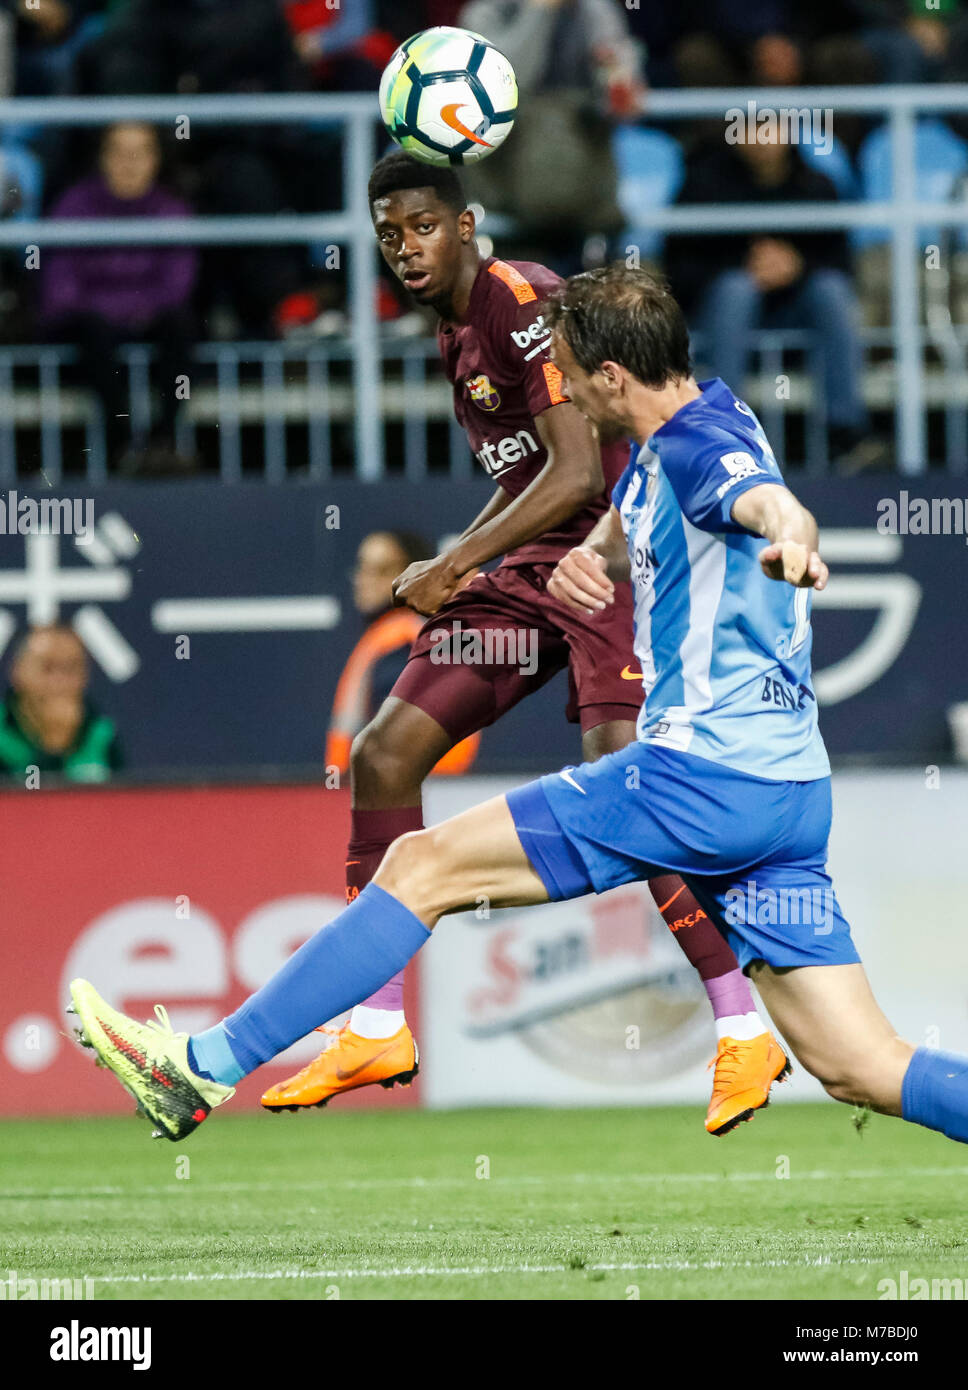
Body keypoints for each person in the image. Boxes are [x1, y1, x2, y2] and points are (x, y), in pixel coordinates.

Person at [70, 267, 968, 1161]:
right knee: (858, 1064)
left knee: (420, 867)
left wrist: (795, 544)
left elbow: (769, 504)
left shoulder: (702, 454)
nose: (563, 391)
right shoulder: (700, 415)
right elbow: (655, 498)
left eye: (573, 375)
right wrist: (599, 552)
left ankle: (201, 1066)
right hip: (790, 795)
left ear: (614, 377)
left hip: (698, 779)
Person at [663, 125, 884, 471]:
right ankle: (726, 432)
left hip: (796, 319)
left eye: (771, 126)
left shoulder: (816, 186)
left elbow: (843, 266)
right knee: (736, 289)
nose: (762, 137)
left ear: (788, 130)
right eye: (751, 126)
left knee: (831, 290)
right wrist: (744, 266)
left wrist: (798, 266)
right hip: (719, 321)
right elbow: (678, 271)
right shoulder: (703, 185)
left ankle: (847, 432)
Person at [39, 121, 197, 472]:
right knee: (93, 329)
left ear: (155, 159)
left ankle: (164, 442)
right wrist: (128, 310)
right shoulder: (73, 206)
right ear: (102, 157)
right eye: (119, 153)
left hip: (146, 322)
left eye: (139, 154)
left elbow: (176, 288)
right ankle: (121, 444)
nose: (129, 164)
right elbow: (60, 294)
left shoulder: (172, 211)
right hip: (90, 330)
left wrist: (127, 310)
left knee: (179, 326)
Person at [326, 529, 481, 778]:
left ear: (413, 577)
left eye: (383, 570)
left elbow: (398, 740)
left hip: (408, 791)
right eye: (363, 568)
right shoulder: (396, 637)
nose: (365, 579)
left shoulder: (402, 643)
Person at [0, 623, 122, 782]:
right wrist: (51, 747)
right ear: (17, 671)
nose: (59, 681)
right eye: (47, 668)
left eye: (71, 668)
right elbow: (33, 794)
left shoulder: (101, 735)